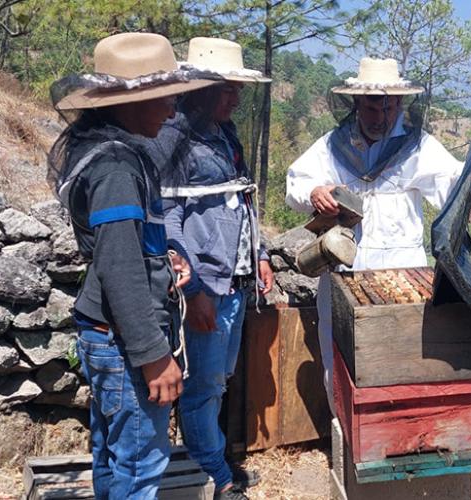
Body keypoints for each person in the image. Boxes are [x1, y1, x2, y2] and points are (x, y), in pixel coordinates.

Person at [47, 33, 217, 499]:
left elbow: (127, 246)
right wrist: (153, 356)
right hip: (124, 344)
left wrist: (167, 261)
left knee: (113, 456)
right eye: (160, 98)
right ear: (124, 102)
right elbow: (119, 264)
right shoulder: (117, 169)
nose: (170, 109)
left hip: (105, 332)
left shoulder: (108, 154)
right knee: (141, 465)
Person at [285, 57, 471, 411]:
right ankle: (347, 441)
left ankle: (396, 437)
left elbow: (451, 190)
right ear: (356, 102)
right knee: (340, 358)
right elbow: (295, 184)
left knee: (400, 355)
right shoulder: (333, 145)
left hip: (402, 267)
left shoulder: (419, 146)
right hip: (345, 264)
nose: (382, 113)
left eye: (391, 103)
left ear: (401, 102)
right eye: (373, 104)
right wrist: (315, 192)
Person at [156, 37, 274, 500]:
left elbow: (241, 202)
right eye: (226, 88)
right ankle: (217, 477)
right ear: (199, 87)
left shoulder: (224, 135)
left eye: (235, 89)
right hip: (208, 285)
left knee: (217, 381)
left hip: (234, 282)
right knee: (203, 384)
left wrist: (260, 256)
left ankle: (213, 461)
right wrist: (195, 290)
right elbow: (169, 220)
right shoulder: (174, 138)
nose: (235, 98)